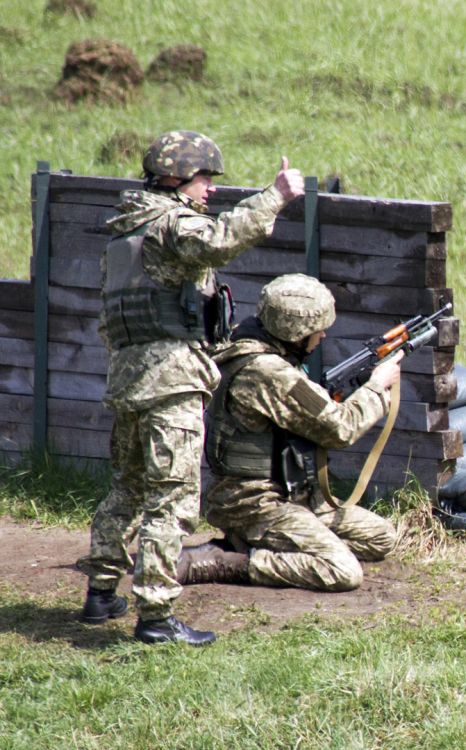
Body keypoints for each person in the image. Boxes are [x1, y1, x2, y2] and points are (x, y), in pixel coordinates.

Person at [76, 130, 305, 646]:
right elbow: (219, 239)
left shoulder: (124, 237)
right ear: (176, 179)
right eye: (204, 179)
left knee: (128, 487)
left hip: (129, 380)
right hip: (172, 382)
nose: (211, 190)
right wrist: (276, 196)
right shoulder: (173, 223)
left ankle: (101, 591)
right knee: (171, 498)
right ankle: (155, 617)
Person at [179, 273, 401, 593]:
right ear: (294, 333)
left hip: (291, 497)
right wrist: (377, 388)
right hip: (254, 504)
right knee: (341, 570)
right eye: (316, 329)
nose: (323, 335)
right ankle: (227, 561)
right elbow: (341, 429)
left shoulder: (248, 344)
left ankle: (276, 546)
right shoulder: (269, 372)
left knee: (381, 537)